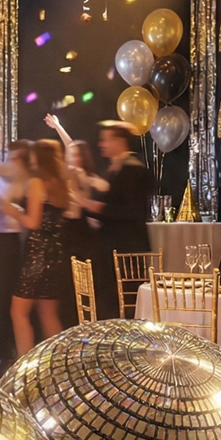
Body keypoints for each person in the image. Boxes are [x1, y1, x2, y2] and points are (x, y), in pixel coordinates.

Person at [4, 139, 72, 355]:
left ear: (37, 158)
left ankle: (24, 365)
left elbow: (33, 222)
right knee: (49, 314)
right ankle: (57, 363)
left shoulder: (36, 183)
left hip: (37, 255)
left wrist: (12, 210)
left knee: (19, 312)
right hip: (57, 253)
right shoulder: (60, 184)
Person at [45, 113, 110, 320]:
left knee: (85, 279)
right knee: (68, 281)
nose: (73, 157)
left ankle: (87, 319)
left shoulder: (84, 175)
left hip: (81, 232)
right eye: (71, 155)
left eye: (77, 155)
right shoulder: (65, 172)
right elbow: (70, 145)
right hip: (66, 231)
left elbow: (102, 186)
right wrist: (58, 127)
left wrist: (82, 192)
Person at [87, 120, 152, 318]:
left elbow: (133, 212)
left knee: (122, 305)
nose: (101, 145)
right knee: (109, 302)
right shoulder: (116, 169)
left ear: (119, 141)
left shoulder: (133, 169)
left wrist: (98, 208)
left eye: (105, 140)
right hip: (111, 247)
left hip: (126, 249)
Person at [0, 135, 29, 364]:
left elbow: (4, 201)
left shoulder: (24, 180)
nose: (10, 161)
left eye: (14, 157)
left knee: (3, 296)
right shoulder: (9, 175)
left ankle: (2, 348)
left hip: (8, 243)